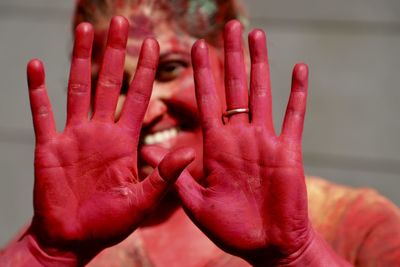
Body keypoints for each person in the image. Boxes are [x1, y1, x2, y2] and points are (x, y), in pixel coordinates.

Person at [1, 0, 400, 266]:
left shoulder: (355, 224)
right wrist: (44, 254)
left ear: (236, 64)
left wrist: (298, 254)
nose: (147, 108)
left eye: (171, 69)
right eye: (115, 85)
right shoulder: (75, 235)